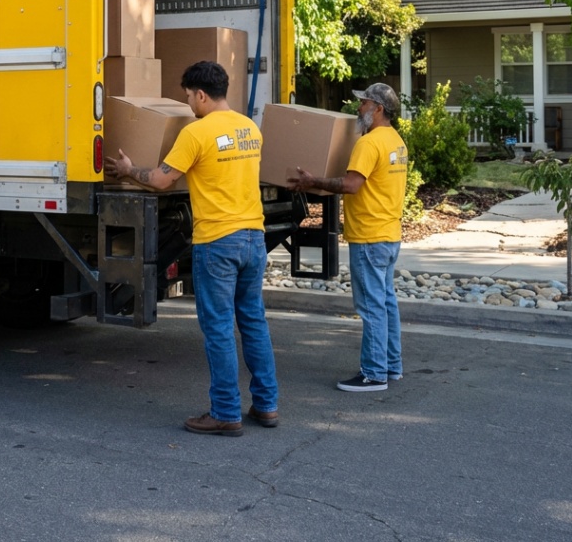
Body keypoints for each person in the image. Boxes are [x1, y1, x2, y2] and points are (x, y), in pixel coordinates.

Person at [104, 60, 278, 436]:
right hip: (254, 237)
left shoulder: (196, 133)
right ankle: (266, 406)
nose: (187, 104)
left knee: (218, 328)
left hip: (217, 241)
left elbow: (162, 180)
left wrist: (129, 169)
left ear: (200, 95)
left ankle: (226, 412)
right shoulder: (250, 128)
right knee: (253, 322)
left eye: (187, 97)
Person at [287, 83, 408, 392]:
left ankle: (374, 374)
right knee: (386, 302)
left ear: (378, 109)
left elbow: (352, 185)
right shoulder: (396, 141)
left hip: (369, 235)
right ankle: (391, 366)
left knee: (371, 306)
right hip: (389, 234)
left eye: (364, 103)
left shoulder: (369, 143)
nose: (359, 107)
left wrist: (314, 181)